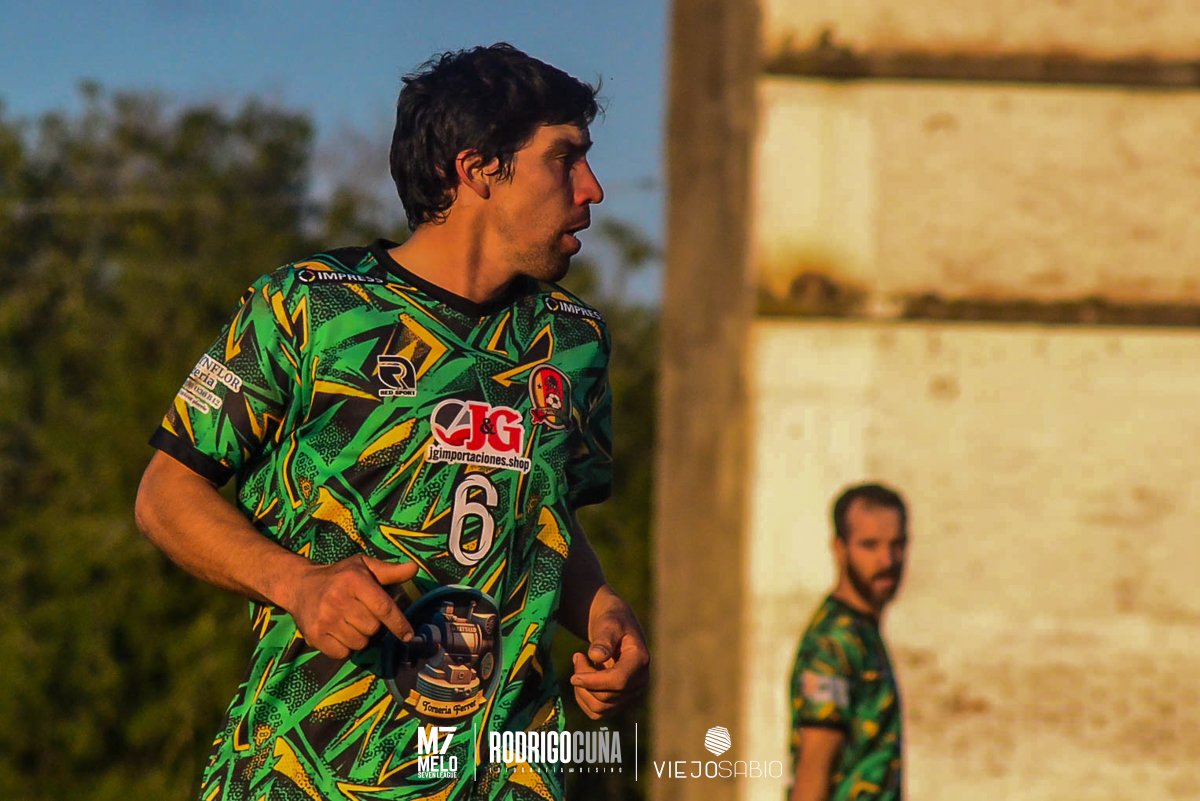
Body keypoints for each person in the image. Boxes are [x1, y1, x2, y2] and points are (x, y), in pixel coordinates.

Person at [134, 43, 649, 800]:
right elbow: (164, 494)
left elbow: (547, 519)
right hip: (311, 773)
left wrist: (604, 612)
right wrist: (299, 585)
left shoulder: (574, 342)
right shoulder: (308, 306)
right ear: (478, 169)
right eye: (564, 158)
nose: (593, 187)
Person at [787, 483, 908, 801]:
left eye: (897, 545)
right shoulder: (834, 644)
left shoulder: (863, 633)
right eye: (870, 545)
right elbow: (813, 772)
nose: (887, 560)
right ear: (840, 548)